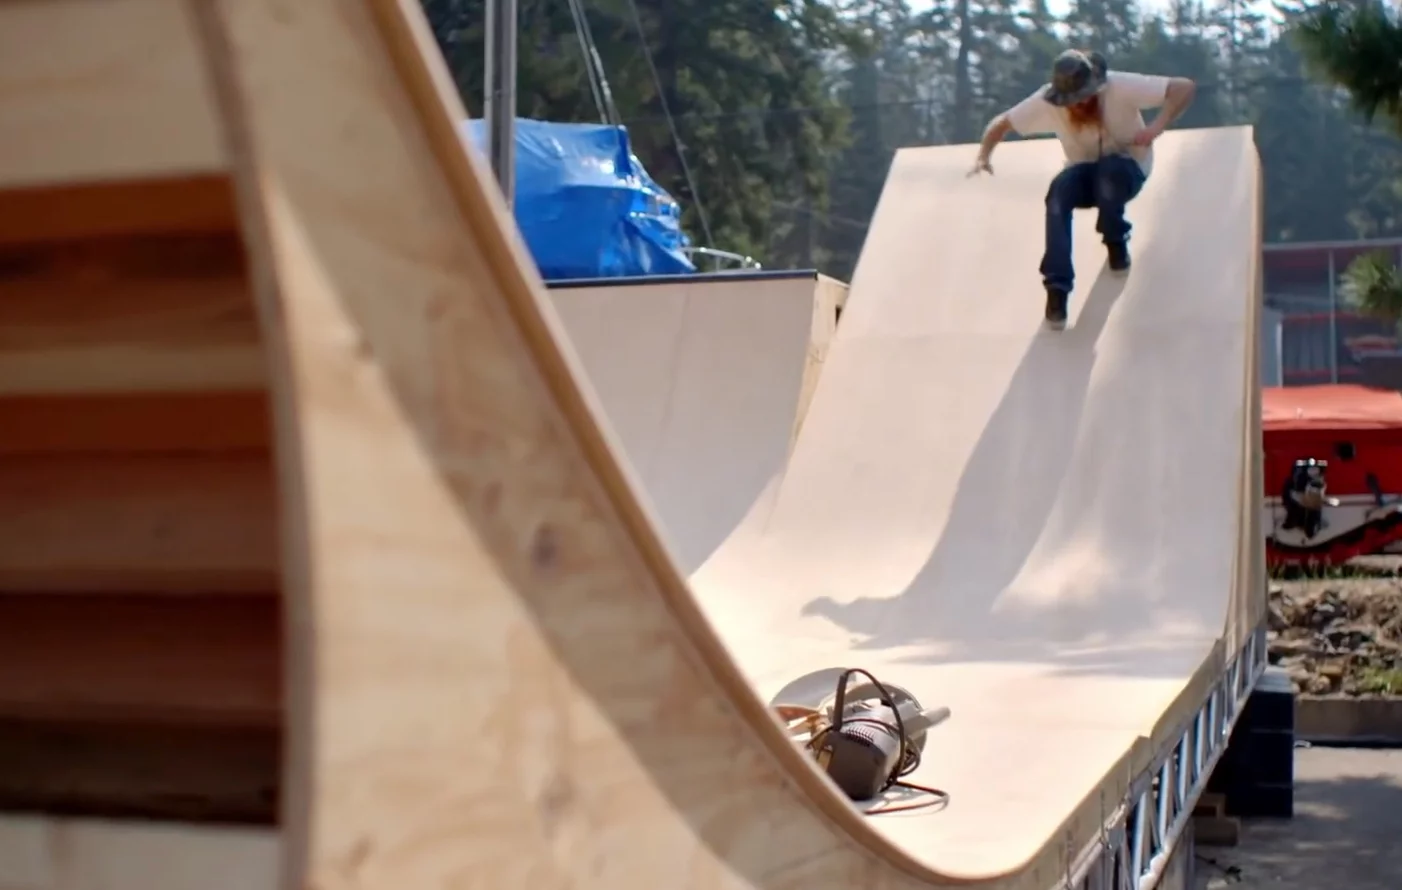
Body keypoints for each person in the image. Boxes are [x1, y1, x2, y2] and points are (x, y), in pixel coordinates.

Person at [969, 49, 1197, 329]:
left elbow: (1183, 88)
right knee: (1058, 192)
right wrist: (983, 157)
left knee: (1110, 171)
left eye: (1084, 99)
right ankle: (1057, 290)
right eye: (1071, 103)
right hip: (1084, 173)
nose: (1078, 106)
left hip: (1128, 169)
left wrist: (1156, 127)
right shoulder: (1046, 101)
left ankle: (1115, 240)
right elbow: (1001, 124)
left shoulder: (1120, 85)